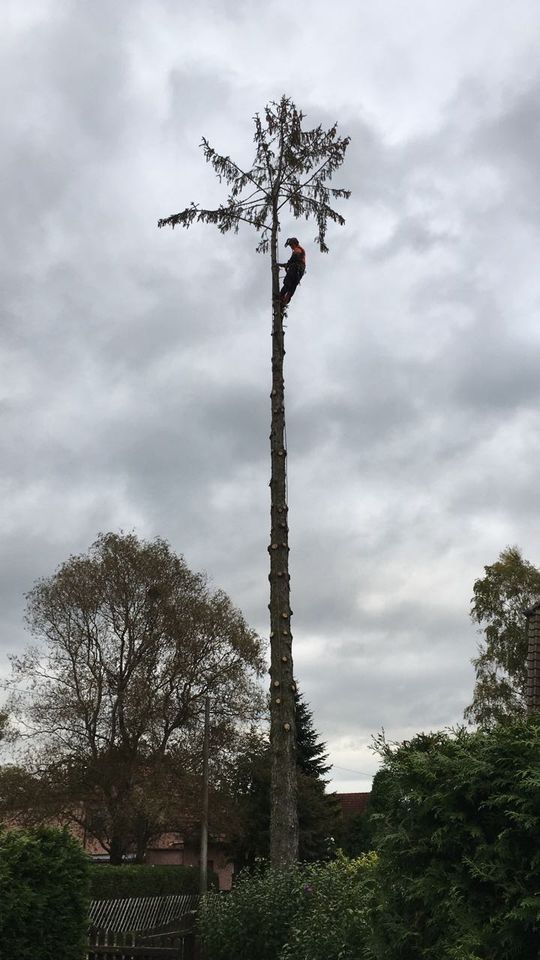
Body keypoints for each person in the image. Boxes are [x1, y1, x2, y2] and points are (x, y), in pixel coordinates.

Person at [279, 238, 306, 305]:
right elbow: (292, 261)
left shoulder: (298, 249)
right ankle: (284, 301)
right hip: (299, 271)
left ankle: (280, 296)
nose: (291, 247)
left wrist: (288, 264)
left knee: (288, 283)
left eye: (291, 245)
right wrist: (284, 265)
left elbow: (293, 258)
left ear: (294, 243)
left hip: (295, 269)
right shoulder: (300, 253)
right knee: (292, 286)